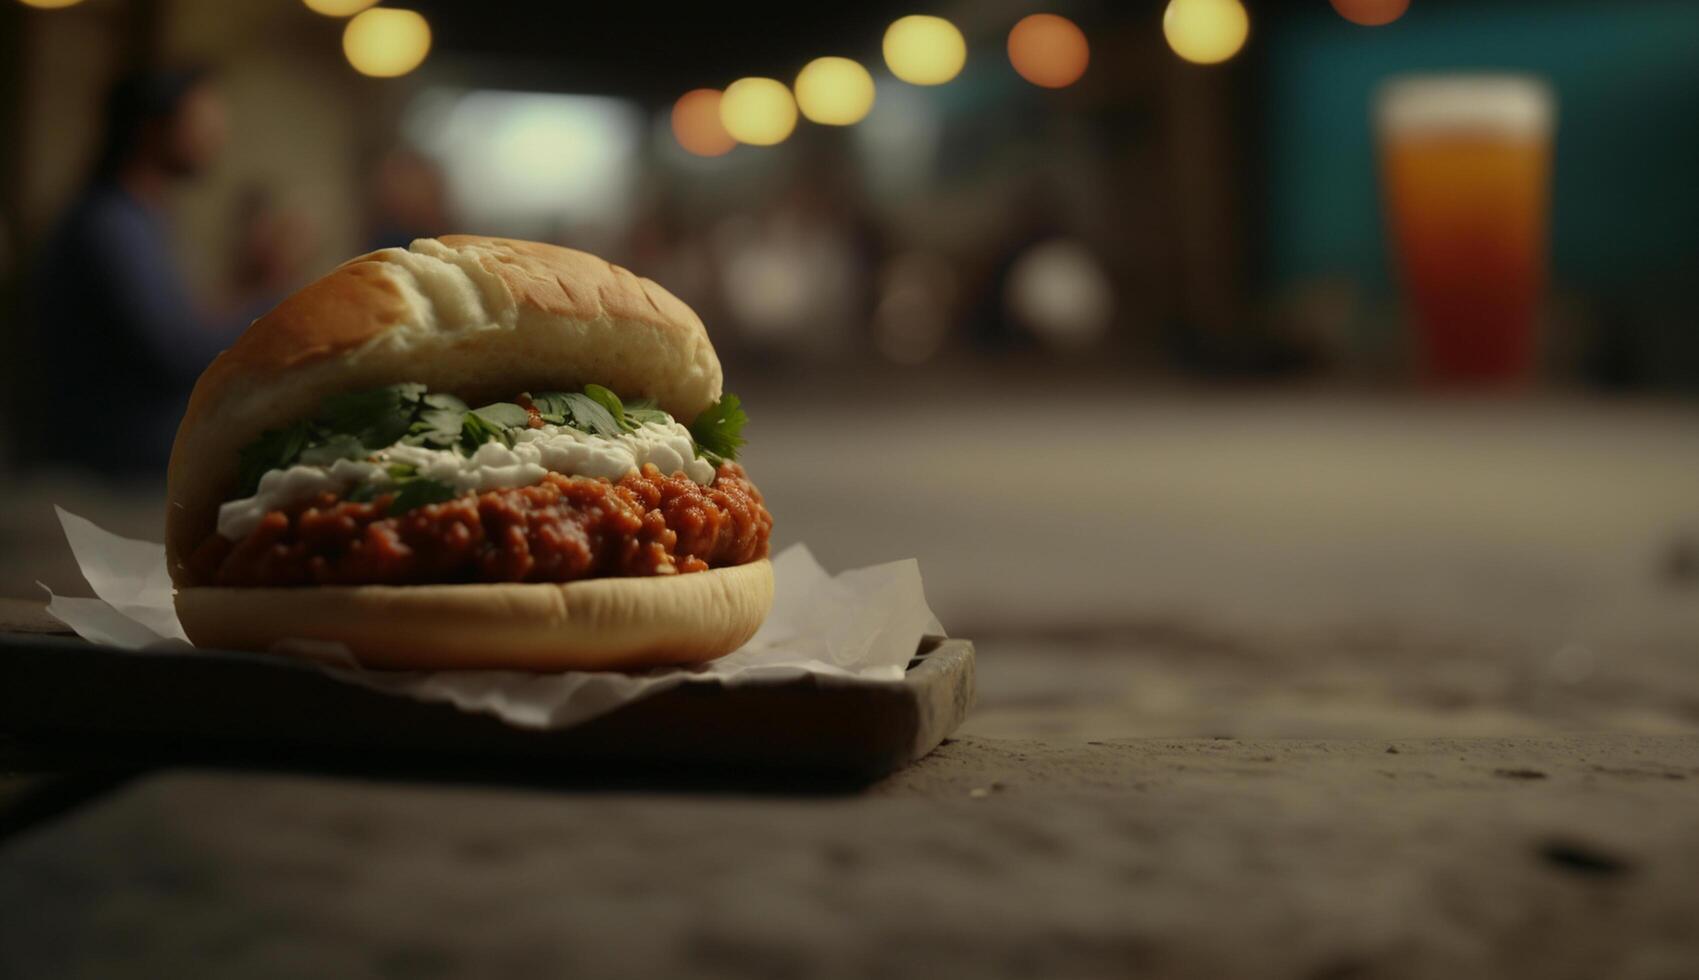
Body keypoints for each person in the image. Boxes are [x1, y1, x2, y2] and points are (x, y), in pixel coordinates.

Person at [25, 67, 306, 475]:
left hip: (135, 448)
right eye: (203, 122)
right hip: (115, 461)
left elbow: (183, 328)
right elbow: (177, 354)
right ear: (152, 128)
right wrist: (272, 291)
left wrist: (250, 282)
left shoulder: (141, 217)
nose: (216, 136)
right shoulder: (111, 224)